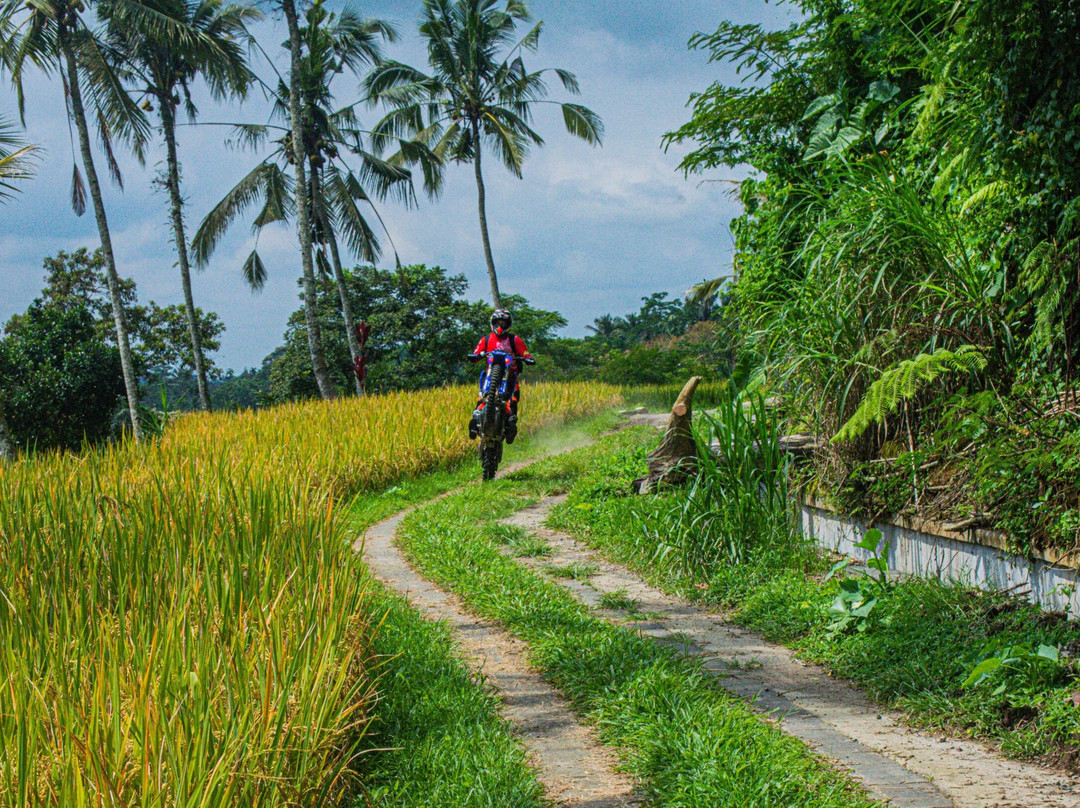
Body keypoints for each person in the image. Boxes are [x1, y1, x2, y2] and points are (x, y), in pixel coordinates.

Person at [467, 308, 534, 444]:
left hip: (510, 376)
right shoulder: (486, 339)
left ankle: (510, 424)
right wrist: (474, 356)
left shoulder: (514, 339)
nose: (500, 326)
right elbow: (477, 352)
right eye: (498, 323)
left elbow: (525, 352)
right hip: (490, 376)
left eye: (503, 323)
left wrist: (528, 358)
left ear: (508, 324)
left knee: (513, 399)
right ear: (492, 323)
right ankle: (475, 422)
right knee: (481, 398)